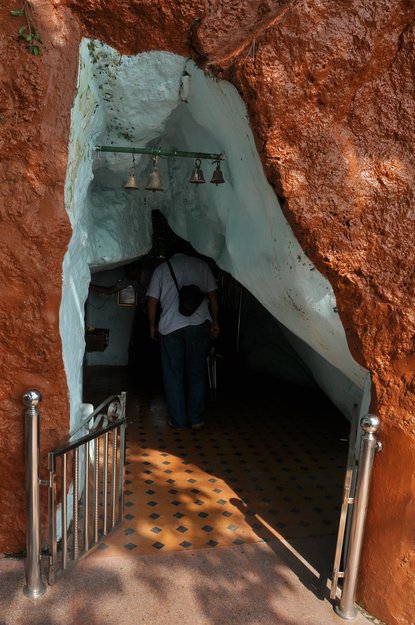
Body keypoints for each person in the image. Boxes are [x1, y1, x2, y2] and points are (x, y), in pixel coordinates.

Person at [146, 245, 220, 429]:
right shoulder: (202, 266)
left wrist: (152, 324)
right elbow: (213, 296)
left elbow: (152, 300)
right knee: (197, 372)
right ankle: (196, 419)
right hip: (199, 324)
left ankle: (178, 420)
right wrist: (216, 321)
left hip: (170, 327)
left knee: (173, 374)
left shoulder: (162, 269)